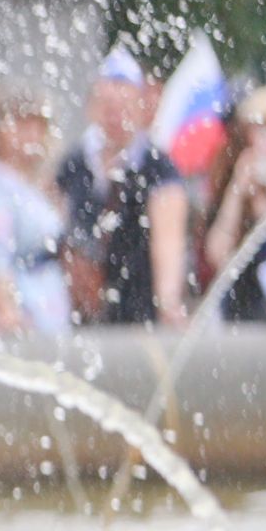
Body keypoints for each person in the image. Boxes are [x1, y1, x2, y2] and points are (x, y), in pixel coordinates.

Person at [55, 49, 189, 326]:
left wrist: (168, 301)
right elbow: (55, 225)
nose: (115, 117)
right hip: (83, 308)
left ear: (142, 108)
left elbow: (168, 240)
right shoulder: (73, 163)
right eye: (107, 107)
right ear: (92, 108)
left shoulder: (158, 168)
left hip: (138, 306)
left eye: (124, 107)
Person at [0, 85, 71, 334]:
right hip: (23, 310)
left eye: (38, 126)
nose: (31, 134)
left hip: (46, 306)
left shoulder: (31, 185)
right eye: (21, 124)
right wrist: (7, 310)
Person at [204, 86, 266, 321]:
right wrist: (238, 191)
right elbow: (218, 255)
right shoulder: (231, 180)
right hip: (240, 319)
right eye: (263, 134)